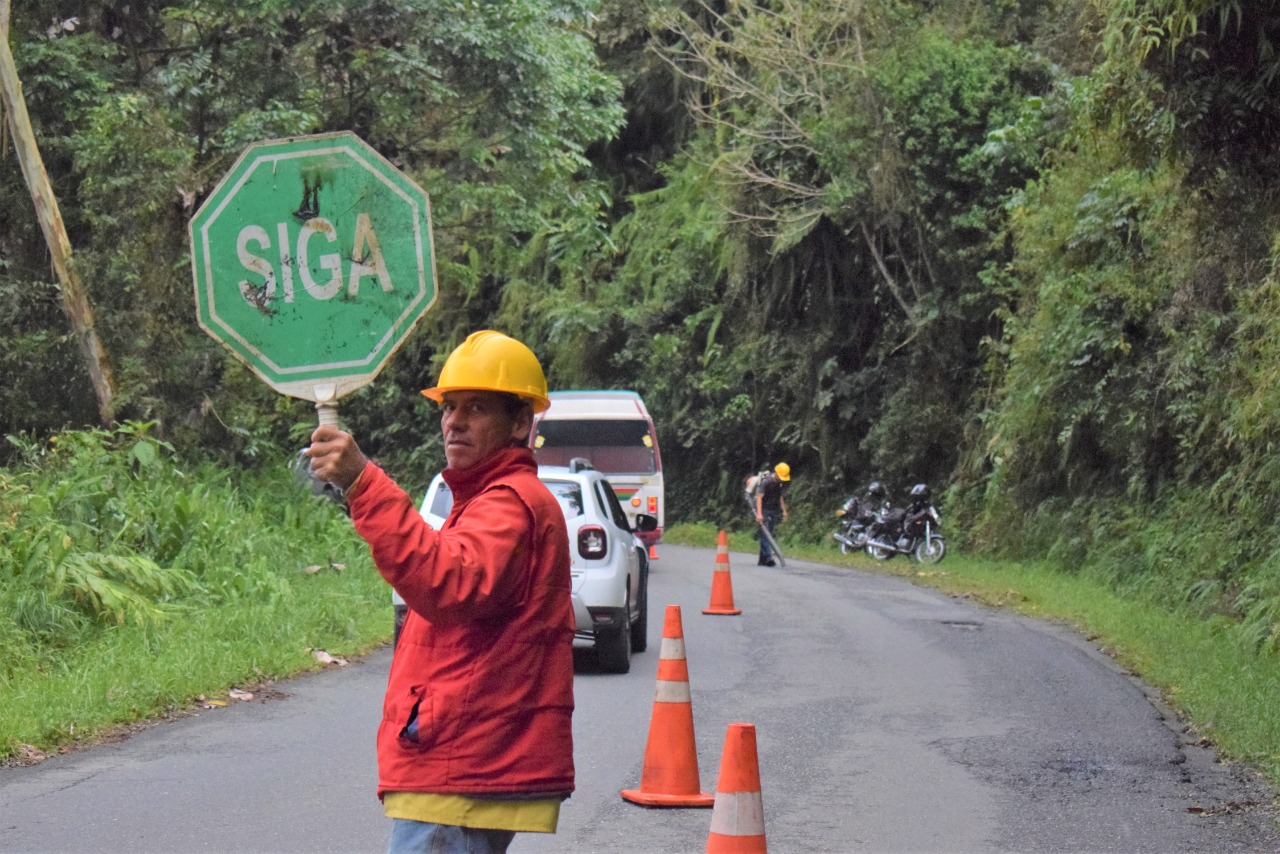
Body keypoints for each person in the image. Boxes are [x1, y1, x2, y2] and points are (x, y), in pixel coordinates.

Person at [305, 330, 574, 854]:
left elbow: (446, 584)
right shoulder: (486, 500)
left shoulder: (510, 504)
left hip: (461, 768)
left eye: (476, 408)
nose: (455, 421)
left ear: (521, 422)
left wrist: (363, 482)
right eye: (449, 407)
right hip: (463, 763)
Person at [754, 461, 790, 566]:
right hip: (763, 509)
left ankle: (762, 559)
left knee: (768, 533)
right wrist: (759, 514)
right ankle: (769, 557)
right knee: (766, 534)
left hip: (772, 510)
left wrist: (784, 511)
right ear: (777, 473)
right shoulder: (766, 482)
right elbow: (759, 498)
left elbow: (780, 498)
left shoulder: (779, 484)